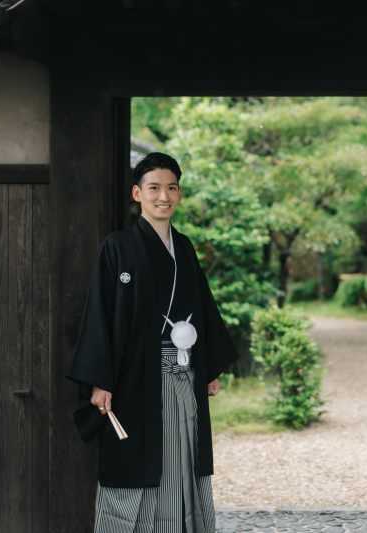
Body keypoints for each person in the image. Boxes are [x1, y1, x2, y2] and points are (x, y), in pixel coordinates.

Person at [67, 152, 239, 533]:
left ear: (179, 194)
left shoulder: (186, 248)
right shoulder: (118, 246)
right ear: (137, 193)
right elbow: (100, 314)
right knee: (134, 463)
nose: (164, 195)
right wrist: (100, 380)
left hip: (183, 374)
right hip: (133, 379)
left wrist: (208, 368)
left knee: (182, 462)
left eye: (172, 187)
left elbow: (204, 309)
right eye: (154, 187)